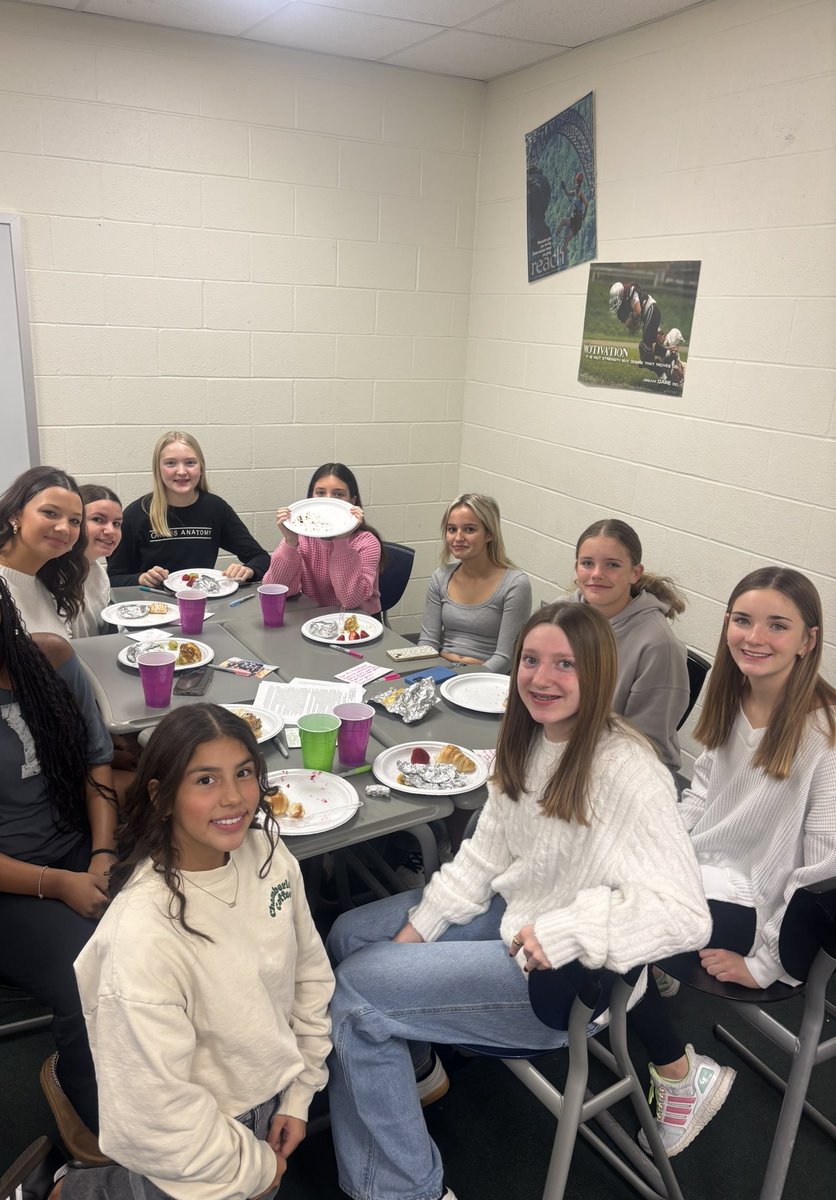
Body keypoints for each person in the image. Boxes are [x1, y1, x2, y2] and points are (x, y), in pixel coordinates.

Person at [326, 602, 710, 1200]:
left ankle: (405, 1189)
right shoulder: (530, 736)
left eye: (565, 664)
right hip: (515, 916)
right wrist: (420, 929)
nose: (541, 677)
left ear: (599, 674)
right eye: (531, 660)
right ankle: (419, 1069)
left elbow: (685, 912)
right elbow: (484, 857)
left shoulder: (630, 770)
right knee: (352, 934)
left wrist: (569, 930)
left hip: (563, 978)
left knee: (355, 991)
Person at [61, 704, 334, 1199]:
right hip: (197, 1133)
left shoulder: (269, 854)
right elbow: (155, 1112)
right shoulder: (143, 934)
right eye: (205, 780)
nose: (233, 797)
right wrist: (255, 1168)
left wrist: (299, 1092)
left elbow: (308, 975)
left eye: (244, 773)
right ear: (161, 797)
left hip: (269, 1095)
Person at [633, 566, 836, 1157]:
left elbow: (824, 870)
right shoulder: (734, 696)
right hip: (707, 872)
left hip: (762, 907)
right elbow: (701, 797)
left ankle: (680, 1076)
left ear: (808, 639)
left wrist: (768, 961)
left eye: (778, 625)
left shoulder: (823, 732)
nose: (755, 637)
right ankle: (641, 982)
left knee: (611, 926)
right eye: (744, 621)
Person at [0, 546, 116, 1163]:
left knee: (180, 920)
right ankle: (88, 1103)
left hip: (77, 848)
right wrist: (57, 885)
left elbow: (98, 764)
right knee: (87, 974)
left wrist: (102, 853)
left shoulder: (51, 658)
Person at [571, 518, 688, 771]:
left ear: (635, 573)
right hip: (566, 747)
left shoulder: (658, 645)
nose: (596, 574)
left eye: (612, 565)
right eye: (587, 563)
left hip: (628, 770)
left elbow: (645, 745)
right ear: (576, 567)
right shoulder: (562, 616)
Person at [107, 431, 270, 588]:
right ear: (158, 469)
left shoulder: (215, 508)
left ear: (201, 468)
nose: (182, 471)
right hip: (153, 609)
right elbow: (114, 578)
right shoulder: (136, 514)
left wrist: (248, 570)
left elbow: (261, 558)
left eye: (190, 462)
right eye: (170, 463)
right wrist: (140, 578)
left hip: (202, 606)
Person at [419, 494, 531, 674]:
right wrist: (431, 673)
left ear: (489, 534)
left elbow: (506, 658)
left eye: (469, 530)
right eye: (452, 529)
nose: (458, 538)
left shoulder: (515, 584)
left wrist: (460, 680)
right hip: (441, 669)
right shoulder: (440, 576)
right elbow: (428, 642)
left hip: (485, 676)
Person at [0, 465, 88, 640]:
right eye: (50, 513)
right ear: (14, 515)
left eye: (74, 521)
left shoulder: (52, 583)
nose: (64, 528)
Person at [265, 463, 383, 615]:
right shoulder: (304, 539)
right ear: (311, 499)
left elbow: (350, 601)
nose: (329, 501)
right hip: (316, 619)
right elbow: (277, 590)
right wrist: (290, 542)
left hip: (358, 622)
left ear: (352, 502)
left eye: (338, 494)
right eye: (320, 493)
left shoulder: (367, 542)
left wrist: (341, 540)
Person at [70, 484, 123, 638]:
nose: (110, 531)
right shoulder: (58, 577)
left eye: (117, 523)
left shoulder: (98, 573)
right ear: (75, 522)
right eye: (98, 519)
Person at [609, 280, 664, 373]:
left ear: (621, 294)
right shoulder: (624, 304)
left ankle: (662, 372)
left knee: (645, 348)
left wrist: (633, 317)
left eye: (616, 299)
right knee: (654, 346)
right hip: (649, 315)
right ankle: (665, 361)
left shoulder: (631, 290)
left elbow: (637, 310)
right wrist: (630, 319)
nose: (615, 302)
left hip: (651, 310)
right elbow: (631, 326)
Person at [555, 170, 589, 261]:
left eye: (578, 183)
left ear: (580, 184)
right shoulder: (574, 192)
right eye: (576, 182)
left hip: (577, 222)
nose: (576, 184)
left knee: (566, 241)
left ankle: (560, 257)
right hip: (574, 218)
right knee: (562, 221)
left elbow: (587, 203)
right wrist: (564, 187)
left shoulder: (580, 194)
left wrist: (584, 215)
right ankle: (554, 237)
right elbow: (568, 193)